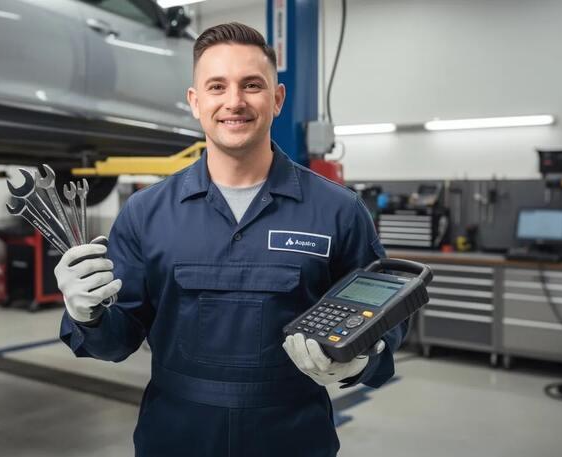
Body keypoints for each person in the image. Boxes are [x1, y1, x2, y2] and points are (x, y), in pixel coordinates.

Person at [55, 22, 408, 457]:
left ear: (277, 99)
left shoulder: (338, 211)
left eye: (252, 85)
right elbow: (116, 341)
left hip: (293, 440)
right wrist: (86, 315)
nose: (234, 102)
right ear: (195, 101)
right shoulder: (146, 213)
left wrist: (364, 356)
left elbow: (387, 317)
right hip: (175, 439)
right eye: (217, 86)